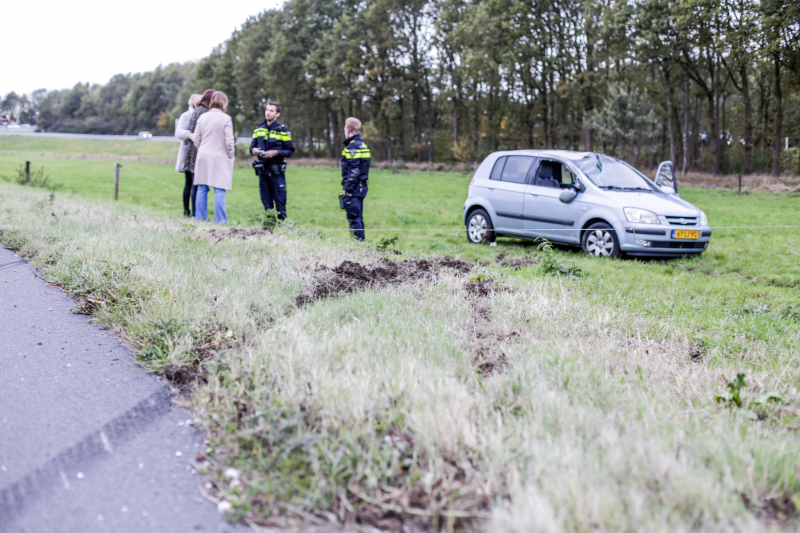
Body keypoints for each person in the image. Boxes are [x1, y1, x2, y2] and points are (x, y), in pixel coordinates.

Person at [192, 91, 234, 224]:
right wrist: (230, 155)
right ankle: (221, 221)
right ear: (223, 102)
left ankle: (200, 219)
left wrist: (203, 148)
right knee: (220, 190)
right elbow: (229, 141)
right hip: (220, 157)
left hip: (203, 156)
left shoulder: (202, 117)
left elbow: (196, 138)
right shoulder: (226, 118)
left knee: (202, 188)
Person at [250, 102, 294, 220]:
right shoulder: (259, 129)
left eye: (271, 111)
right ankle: (270, 229)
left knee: (280, 202)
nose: (268, 113)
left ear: (277, 114)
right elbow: (251, 149)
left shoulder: (283, 130)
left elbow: (290, 151)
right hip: (263, 171)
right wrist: (255, 151)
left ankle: (283, 229)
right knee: (266, 203)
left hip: (277, 171)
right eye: (267, 110)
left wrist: (275, 152)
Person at [340, 117, 371, 241]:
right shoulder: (362, 145)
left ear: (347, 130)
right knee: (358, 217)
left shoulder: (352, 147)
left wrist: (348, 189)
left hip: (354, 187)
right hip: (361, 186)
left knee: (354, 218)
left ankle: (357, 246)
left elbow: (354, 170)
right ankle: (361, 244)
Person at [183, 89, 215, 207]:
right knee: (196, 185)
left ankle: (193, 213)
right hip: (197, 151)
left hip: (192, 151)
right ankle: (197, 214)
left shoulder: (198, 111)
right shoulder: (204, 112)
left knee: (193, 184)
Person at [175, 94, 202, 217]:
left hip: (199, 153)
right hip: (188, 154)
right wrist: (190, 135)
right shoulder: (186, 116)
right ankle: (187, 211)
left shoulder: (202, 115)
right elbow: (179, 132)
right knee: (189, 183)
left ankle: (196, 212)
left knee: (195, 184)